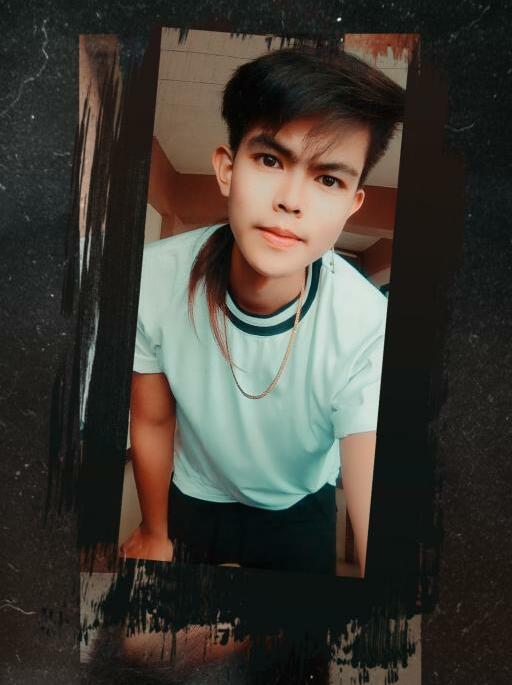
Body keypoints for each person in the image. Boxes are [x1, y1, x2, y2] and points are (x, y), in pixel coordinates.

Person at [121, 47, 404, 576]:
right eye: (271, 160)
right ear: (227, 170)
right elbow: (153, 416)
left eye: (328, 180)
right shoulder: (151, 279)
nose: (291, 201)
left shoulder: (369, 324)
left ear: (351, 206)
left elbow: (373, 471)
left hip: (300, 508)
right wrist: (155, 531)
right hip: (195, 494)